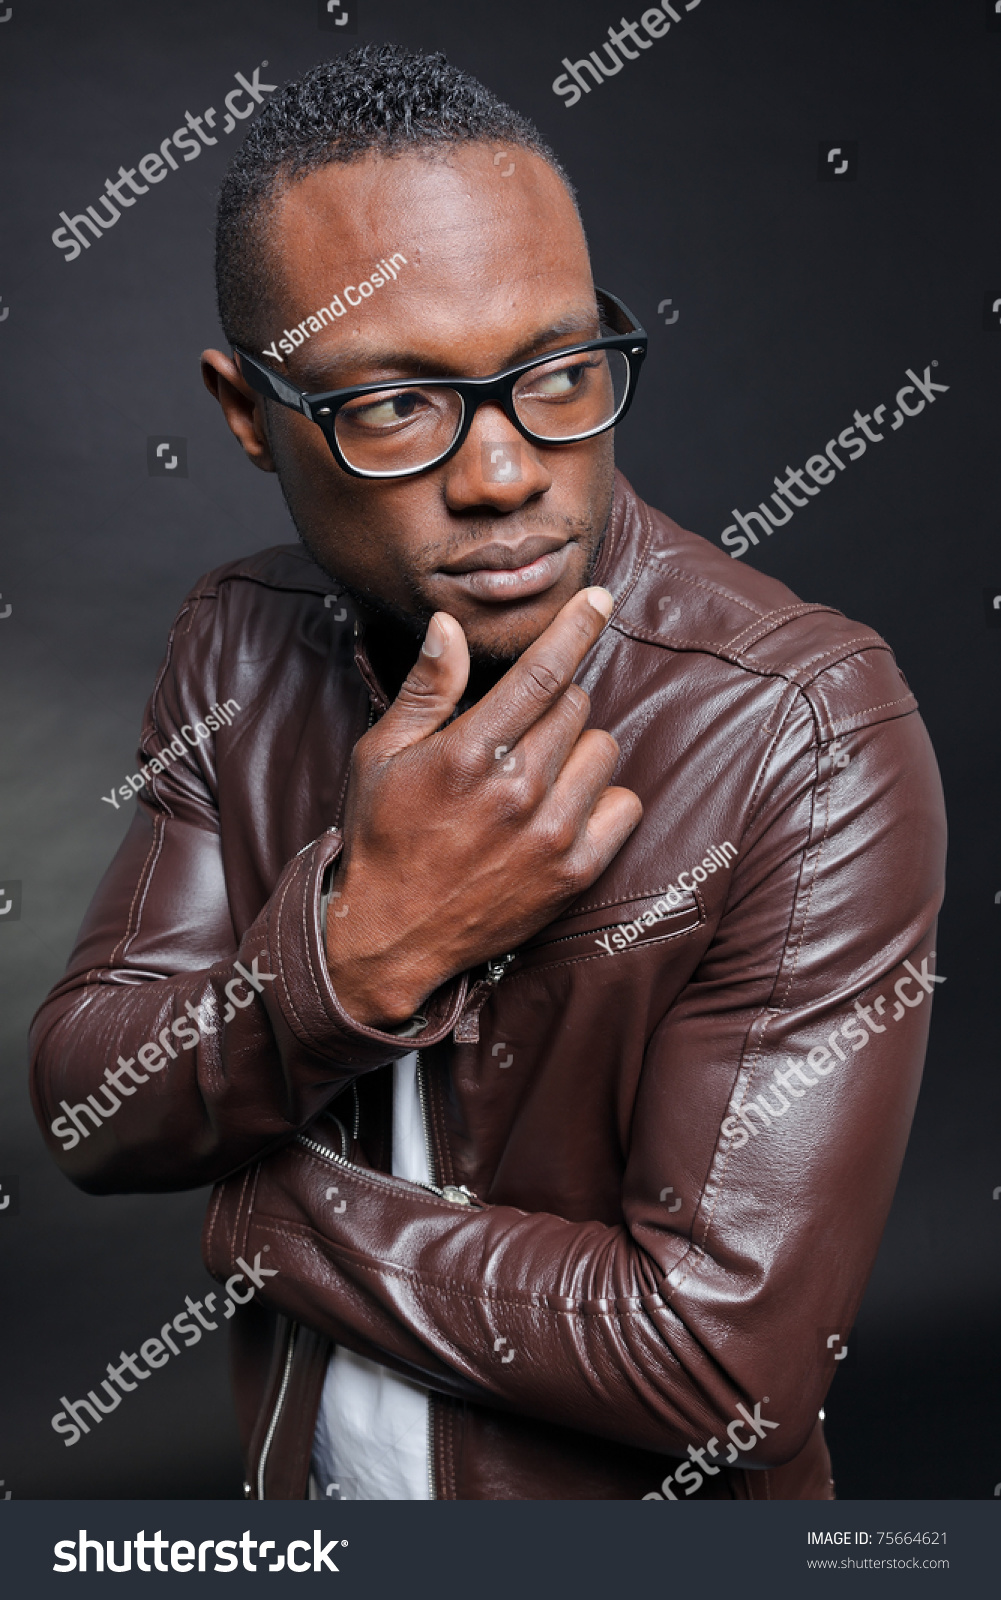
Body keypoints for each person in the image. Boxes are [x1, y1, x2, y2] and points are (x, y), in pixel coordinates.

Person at [31, 44, 946, 1502]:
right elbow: (91, 1103)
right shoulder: (240, 644)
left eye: (560, 370)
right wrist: (361, 953)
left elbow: (729, 1367)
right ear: (246, 410)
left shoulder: (800, 728)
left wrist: (255, 1206)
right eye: (396, 403)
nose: (509, 473)